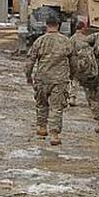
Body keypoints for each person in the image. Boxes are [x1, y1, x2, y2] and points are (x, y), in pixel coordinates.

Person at [25, 15, 74, 146]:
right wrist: (72, 76)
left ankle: (41, 128)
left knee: (41, 104)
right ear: (58, 25)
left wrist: (28, 76)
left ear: (46, 25)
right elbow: (73, 61)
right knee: (56, 107)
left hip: (42, 78)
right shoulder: (66, 41)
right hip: (59, 79)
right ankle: (54, 135)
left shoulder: (39, 41)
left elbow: (30, 60)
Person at [67, 20, 90, 108]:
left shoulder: (72, 38)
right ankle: (90, 100)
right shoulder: (86, 38)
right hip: (84, 61)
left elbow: (69, 51)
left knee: (74, 80)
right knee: (86, 82)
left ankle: (72, 97)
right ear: (83, 28)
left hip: (74, 60)